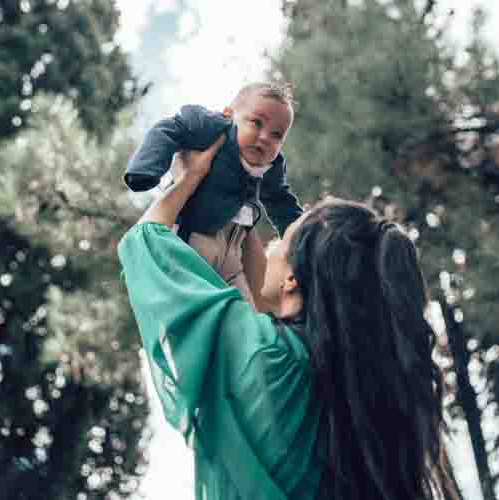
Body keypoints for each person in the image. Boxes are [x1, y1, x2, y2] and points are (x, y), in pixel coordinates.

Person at [118, 141, 459, 500]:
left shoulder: (272, 358)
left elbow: (145, 245)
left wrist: (189, 178)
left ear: (292, 278)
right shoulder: (359, 385)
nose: (271, 246)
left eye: (283, 239)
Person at [123, 82, 302, 307]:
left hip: (233, 247)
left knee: (246, 310)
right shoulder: (213, 128)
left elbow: (281, 202)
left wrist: (304, 237)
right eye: (256, 123)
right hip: (195, 238)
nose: (265, 137)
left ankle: (247, 333)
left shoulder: (272, 165)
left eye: (276, 135)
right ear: (229, 115)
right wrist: (146, 170)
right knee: (193, 298)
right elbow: (170, 129)